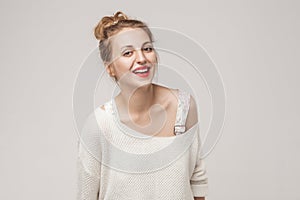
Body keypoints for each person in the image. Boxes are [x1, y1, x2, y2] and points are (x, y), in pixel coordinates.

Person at [77, 11, 208, 200]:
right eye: (127, 53)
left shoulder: (184, 107)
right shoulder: (98, 126)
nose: (141, 58)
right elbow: (86, 196)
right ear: (110, 67)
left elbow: (198, 182)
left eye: (147, 48)